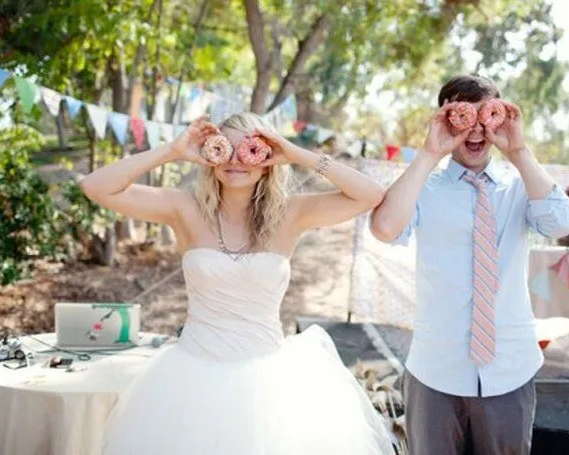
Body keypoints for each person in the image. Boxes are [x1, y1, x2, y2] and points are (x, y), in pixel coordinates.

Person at [80, 112, 395, 454]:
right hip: (190, 379)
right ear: (208, 157)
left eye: (249, 150)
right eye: (222, 149)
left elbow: (371, 194)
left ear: (267, 160)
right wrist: (172, 150)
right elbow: (95, 186)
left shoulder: (292, 213)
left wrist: (295, 153)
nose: (235, 160)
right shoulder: (183, 208)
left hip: (270, 381)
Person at [370, 74, 569, 455]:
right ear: (445, 120)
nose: (477, 132)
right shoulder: (424, 189)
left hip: (510, 370)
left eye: (488, 118)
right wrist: (430, 153)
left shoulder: (520, 188)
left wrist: (519, 151)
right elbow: (384, 228)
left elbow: (563, 224)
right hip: (436, 369)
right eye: (463, 119)